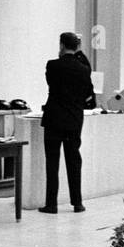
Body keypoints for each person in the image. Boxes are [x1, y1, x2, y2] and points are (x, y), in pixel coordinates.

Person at [39, 31, 95, 213]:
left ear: (61, 45)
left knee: (52, 163)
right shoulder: (84, 69)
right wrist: (79, 53)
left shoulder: (53, 66)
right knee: (73, 161)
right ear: (77, 47)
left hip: (54, 119)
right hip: (74, 120)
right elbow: (88, 88)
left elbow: (50, 83)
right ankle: (77, 203)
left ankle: (51, 204)